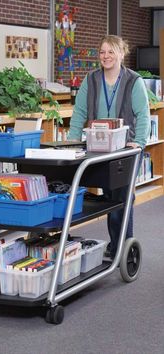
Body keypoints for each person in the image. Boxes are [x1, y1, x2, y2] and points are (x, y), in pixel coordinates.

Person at [68, 35, 151, 259]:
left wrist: (139, 143)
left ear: (121, 53)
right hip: (99, 148)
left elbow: (143, 115)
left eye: (111, 51)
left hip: (126, 148)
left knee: (123, 197)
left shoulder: (133, 81)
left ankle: (124, 248)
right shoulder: (91, 79)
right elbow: (79, 114)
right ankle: (117, 245)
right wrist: (70, 144)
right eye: (102, 52)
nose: (106, 56)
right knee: (109, 196)